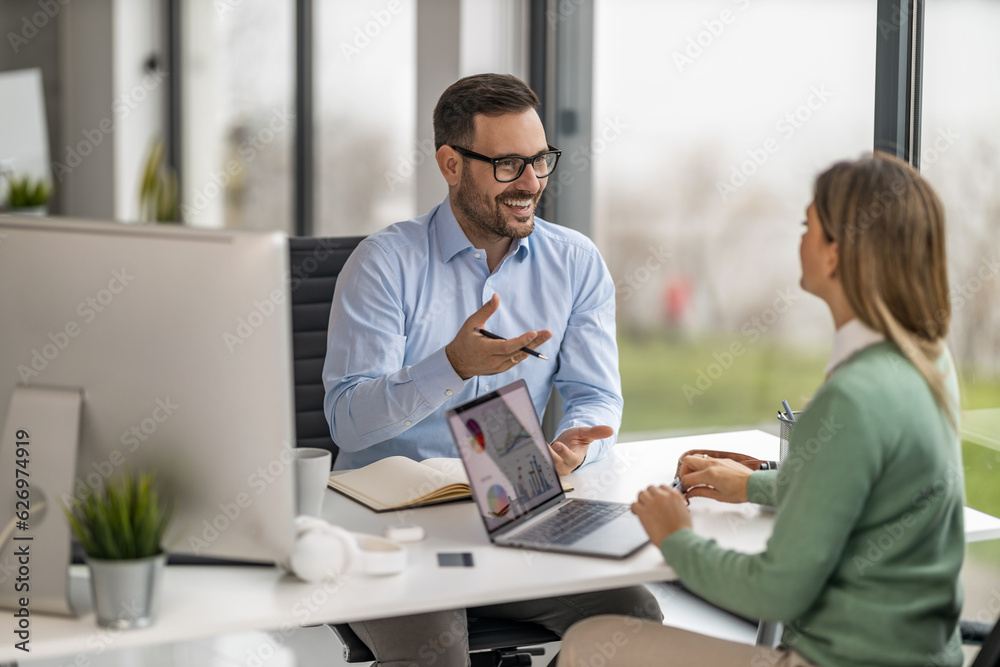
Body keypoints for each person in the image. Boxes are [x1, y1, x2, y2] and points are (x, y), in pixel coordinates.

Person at [557, 153, 965, 667]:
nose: (799, 240)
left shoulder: (852, 396)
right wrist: (752, 483)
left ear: (836, 254)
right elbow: (854, 485)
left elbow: (777, 591)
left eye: (807, 226)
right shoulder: (929, 361)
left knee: (588, 642)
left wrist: (675, 536)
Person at [322, 73, 662, 667]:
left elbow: (596, 397)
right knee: (437, 653)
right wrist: (451, 366)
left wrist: (576, 447)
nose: (531, 183)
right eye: (508, 165)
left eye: (540, 161)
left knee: (635, 621)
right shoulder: (384, 263)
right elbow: (347, 423)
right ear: (451, 164)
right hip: (393, 530)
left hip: (514, 506)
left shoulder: (575, 262)